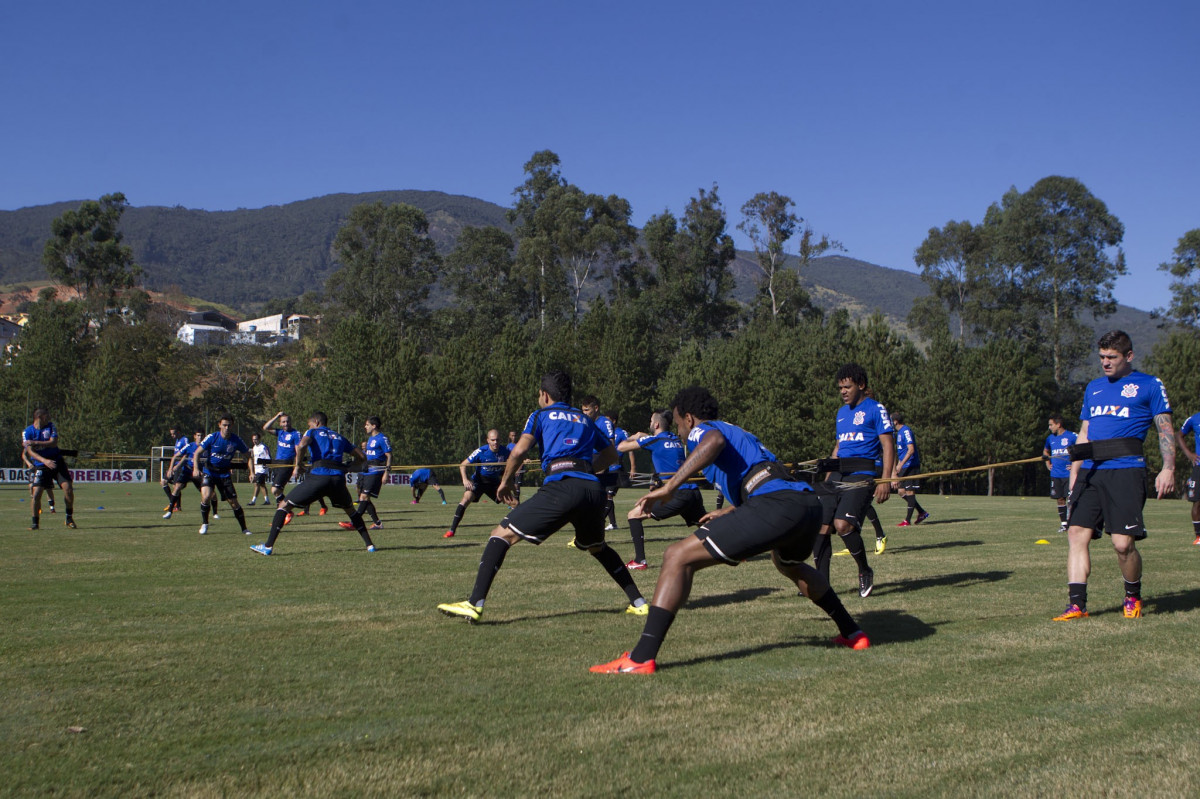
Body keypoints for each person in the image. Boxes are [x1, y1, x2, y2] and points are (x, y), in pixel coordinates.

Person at [590, 386, 870, 675]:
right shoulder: (743, 434)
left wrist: (669, 487)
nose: (680, 433)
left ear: (689, 418)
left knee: (676, 556)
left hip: (777, 504)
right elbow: (768, 478)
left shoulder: (705, 430)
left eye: (678, 424)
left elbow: (714, 441)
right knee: (788, 563)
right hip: (806, 505)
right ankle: (853, 633)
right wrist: (729, 511)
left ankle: (640, 658)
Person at [437, 371, 648, 622]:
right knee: (597, 547)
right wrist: (589, 470)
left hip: (562, 486)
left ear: (544, 395)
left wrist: (504, 483)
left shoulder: (540, 415)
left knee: (500, 535)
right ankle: (639, 602)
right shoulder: (584, 418)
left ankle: (474, 604)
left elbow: (518, 451)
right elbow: (612, 455)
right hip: (593, 491)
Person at [1054, 330, 1174, 621]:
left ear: (1128, 356)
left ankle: (1132, 595)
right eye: (1102, 357)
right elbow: (1085, 433)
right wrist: (1074, 474)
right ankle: (1077, 605)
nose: (1105, 363)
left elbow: (1165, 429)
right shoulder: (1094, 387)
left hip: (1126, 471)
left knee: (1122, 544)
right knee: (1076, 534)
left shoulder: (1149, 385)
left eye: (1112, 357)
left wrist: (1169, 467)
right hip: (1091, 473)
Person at [812, 364, 894, 598]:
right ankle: (822, 583)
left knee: (842, 525)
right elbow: (838, 447)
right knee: (822, 526)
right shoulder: (841, 413)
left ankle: (864, 570)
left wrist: (885, 480)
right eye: (840, 387)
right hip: (838, 473)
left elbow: (887, 444)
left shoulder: (875, 409)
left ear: (861, 385)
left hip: (862, 474)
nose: (843, 391)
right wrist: (828, 478)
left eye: (847, 386)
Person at [251, 412, 377, 556]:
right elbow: (362, 457)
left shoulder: (313, 432)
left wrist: (298, 466)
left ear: (316, 422)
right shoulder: (339, 436)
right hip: (337, 480)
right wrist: (347, 468)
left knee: (284, 506)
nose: (308, 427)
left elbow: (301, 445)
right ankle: (370, 545)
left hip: (319, 476)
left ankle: (267, 546)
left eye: (309, 424)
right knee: (351, 512)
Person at [615, 410, 708, 570]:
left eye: (651, 421)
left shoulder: (655, 441)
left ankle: (639, 561)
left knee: (633, 515)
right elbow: (657, 441)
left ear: (656, 424)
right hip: (692, 492)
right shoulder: (675, 439)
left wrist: (633, 437)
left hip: (676, 494)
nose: (650, 423)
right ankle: (735, 550)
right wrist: (642, 435)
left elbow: (622, 447)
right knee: (706, 523)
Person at [443, 429, 510, 538]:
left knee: (513, 503)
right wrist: (465, 480)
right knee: (466, 498)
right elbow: (463, 465)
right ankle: (451, 530)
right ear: (488, 440)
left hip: (494, 483)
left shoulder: (505, 451)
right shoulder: (480, 451)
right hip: (479, 481)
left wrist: (524, 460)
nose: (495, 443)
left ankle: (519, 529)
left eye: (497, 440)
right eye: (493, 440)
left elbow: (516, 459)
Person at [193, 416, 253, 535]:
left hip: (224, 474)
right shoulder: (212, 437)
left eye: (229, 425)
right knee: (206, 496)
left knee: (234, 502)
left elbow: (249, 456)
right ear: (219, 425)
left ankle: (244, 528)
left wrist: (252, 472)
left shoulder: (236, 440)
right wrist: (195, 468)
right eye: (224, 425)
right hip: (209, 471)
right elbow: (197, 453)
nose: (226, 427)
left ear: (232, 426)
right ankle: (205, 523)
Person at [264, 411, 327, 522]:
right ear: (280, 423)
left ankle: (287, 510)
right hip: (277, 463)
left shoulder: (295, 434)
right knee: (277, 492)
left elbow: (298, 449)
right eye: (283, 422)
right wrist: (276, 416)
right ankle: (283, 514)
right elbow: (266, 427)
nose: (286, 423)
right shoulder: (280, 433)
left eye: (288, 421)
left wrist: (296, 466)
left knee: (275, 490)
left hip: (287, 464)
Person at [22, 408, 75, 529]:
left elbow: (54, 442)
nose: (49, 418)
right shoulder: (27, 432)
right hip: (41, 465)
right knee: (36, 495)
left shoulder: (51, 426)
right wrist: (44, 461)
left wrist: (35, 442)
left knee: (68, 489)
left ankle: (69, 518)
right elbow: (29, 451)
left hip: (57, 461)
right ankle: (35, 523)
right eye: (47, 416)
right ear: (40, 417)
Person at [339, 416, 389, 530]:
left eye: (367, 425)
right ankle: (378, 523)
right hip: (368, 470)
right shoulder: (371, 439)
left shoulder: (382, 438)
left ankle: (354, 522)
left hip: (376, 470)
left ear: (374, 426)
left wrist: (387, 472)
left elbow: (389, 455)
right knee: (364, 498)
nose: (365, 427)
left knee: (364, 496)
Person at [579, 397, 622, 530]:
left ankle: (595, 526)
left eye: (587, 410)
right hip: (588, 458)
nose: (584, 413)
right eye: (583, 410)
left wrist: (603, 465)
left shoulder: (605, 422)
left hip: (599, 458)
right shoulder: (584, 422)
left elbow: (611, 445)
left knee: (598, 496)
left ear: (596, 408)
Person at [163, 429, 211, 520]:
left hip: (199, 472)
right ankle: (170, 511)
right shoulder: (190, 446)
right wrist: (171, 469)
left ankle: (214, 513)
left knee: (209, 494)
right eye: (198, 435)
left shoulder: (207, 447)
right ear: (194, 436)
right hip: (188, 471)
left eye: (201, 435)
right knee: (177, 487)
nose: (200, 437)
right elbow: (176, 456)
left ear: (204, 436)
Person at [892, 412, 929, 530]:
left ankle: (907, 520)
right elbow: (902, 453)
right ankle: (921, 512)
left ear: (895, 421)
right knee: (901, 491)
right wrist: (898, 466)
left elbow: (911, 450)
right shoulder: (898, 433)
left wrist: (901, 464)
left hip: (911, 466)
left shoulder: (905, 431)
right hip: (904, 466)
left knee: (910, 492)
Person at [1043, 415, 1078, 533]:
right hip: (1056, 474)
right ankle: (1064, 524)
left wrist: (1075, 464)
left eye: (1051, 425)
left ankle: (1073, 523)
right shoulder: (1050, 438)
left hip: (1069, 474)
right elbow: (1046, 451)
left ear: (1058, 425)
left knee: (1071, 499)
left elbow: (1082, 449)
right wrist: (1048, 463)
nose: (1049, 427)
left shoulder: (1072, 436)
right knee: (1060, 499)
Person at [1174, 411, 1200, 546]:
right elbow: (1179, 435)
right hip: (1199, 467)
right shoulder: (1194, 419)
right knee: (1197, 502)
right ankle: (1198, 536)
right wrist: (1189, 454)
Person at [21, 448, 55, 517]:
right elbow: (24, 455)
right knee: (31, 487)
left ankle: (52, 507)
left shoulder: (43, 443)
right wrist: (29, 463)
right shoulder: (30, 443)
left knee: (48, 488)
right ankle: (37, 507)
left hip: (43, 467)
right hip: (33, 468)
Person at [162, 426, 186, 510]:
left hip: (179, 467)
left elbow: (186, 453)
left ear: (179, 432)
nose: (172, 435)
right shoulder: (177, 440)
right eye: (171, 434)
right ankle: (173, 502)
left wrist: (178, 465)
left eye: (174, 433)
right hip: (174, 466)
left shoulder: (184, 440)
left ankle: (178, 507)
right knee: (163, 482)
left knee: (176, 486)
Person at [248, 432, 272, 506]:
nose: (254, 441)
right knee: (262, 485)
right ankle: (267, 500)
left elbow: (268, 457)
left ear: (259, 439)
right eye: (253, 439)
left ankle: (253, 501)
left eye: (256, 439)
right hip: (257, 469)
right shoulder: (254, 448)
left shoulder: (263, 447)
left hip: (262, 469)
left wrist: (266, 465)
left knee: (257, 484)